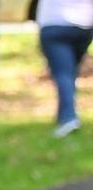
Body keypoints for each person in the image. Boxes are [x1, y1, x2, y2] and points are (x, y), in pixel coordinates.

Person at [37, 0, 93, 138]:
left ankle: (69, 118)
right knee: (70, 72)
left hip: (54, 24)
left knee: (63, 74)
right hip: (84, 25)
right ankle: (63, 114)